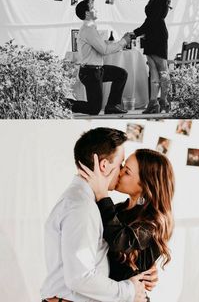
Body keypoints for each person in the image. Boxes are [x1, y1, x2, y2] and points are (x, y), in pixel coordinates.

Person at [41, 127, 157, 302]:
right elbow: (80, 278)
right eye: (121, 165)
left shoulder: (89, 203)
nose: (121, 171)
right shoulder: (82, 208)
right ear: (104, 166)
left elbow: (112, 246)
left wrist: (141, 267)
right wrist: (130, 290)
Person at [79, 147, 175, 302]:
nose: (119, 172)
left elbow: (120, 241)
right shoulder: (118, 209)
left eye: (127, 171)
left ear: (145, 185)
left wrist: (102, 194)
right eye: (122, 166)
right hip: (110, 295)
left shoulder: (154, 221)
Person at [69, 0, 131, 115]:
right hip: (90, 73)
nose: (96, 10)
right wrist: (123, 41)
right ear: (87, 13)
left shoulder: (91, 28)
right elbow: (104, 50)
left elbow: (101, 47)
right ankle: (64, 103)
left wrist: (113, 44)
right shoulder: (88, 29)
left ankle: (112, 106)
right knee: (94, 109)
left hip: (97, 70)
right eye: (93, 8)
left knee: (121, 74)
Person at [131, 0, 171, 114]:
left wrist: (136, 32)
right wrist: (139, 32)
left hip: (157, 34)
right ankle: (153, 102)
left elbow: (153, 19)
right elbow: (150, 20)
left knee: (162, 70)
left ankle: (164, 101)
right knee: (153, 70)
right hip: (151, 34)